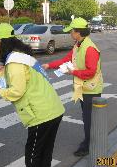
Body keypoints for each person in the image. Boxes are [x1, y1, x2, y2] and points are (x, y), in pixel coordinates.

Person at [0, 23, 65, 167]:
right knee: (44, 152)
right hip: (53, 110)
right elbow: (6, 76)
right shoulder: (21, 56)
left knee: (33, 154)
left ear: (0, 41)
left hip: (41, 114)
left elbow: (17, 91)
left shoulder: (14, 62)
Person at [42, 17, 103, 157]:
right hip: (83, 88)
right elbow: (66, 59)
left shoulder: (90, 48)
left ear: (78, 32)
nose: (70, 33)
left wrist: (73, 72)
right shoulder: (78, 45)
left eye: (72, 31)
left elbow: (90, 72)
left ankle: (88, 145)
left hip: (91, 90)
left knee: (89, 119)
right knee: (87, 118)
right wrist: (49, 65)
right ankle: (89, 141)